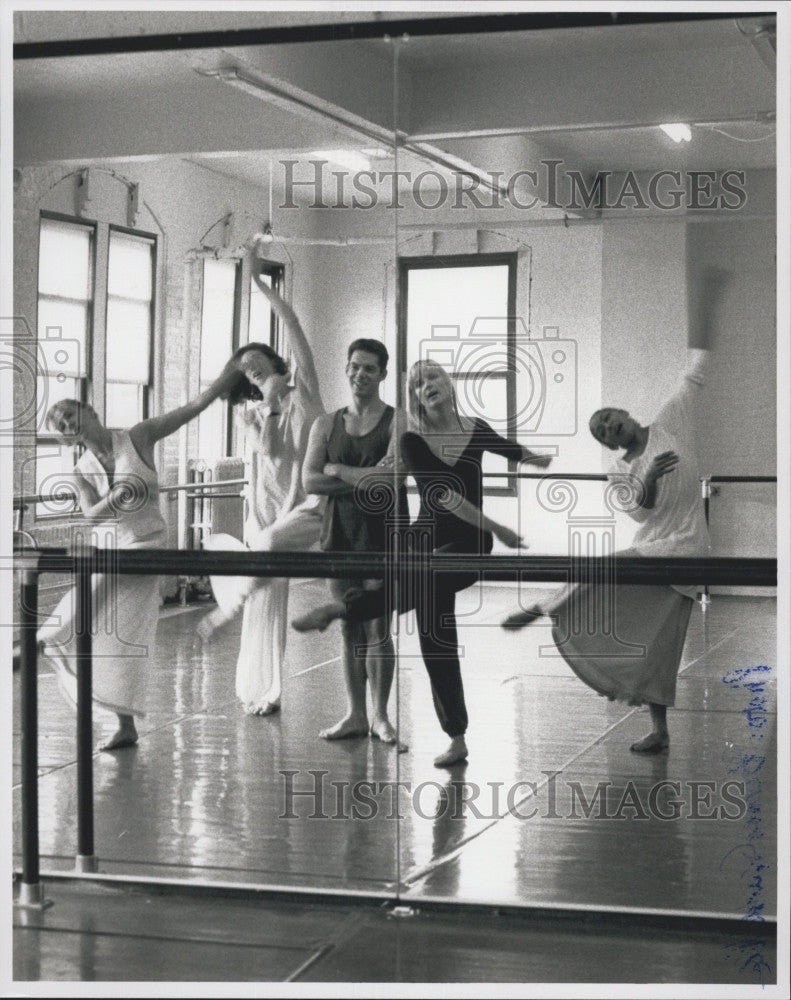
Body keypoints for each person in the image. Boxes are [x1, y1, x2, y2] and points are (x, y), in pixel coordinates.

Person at [502, 265, 728, 754]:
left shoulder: (669, 421)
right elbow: (642, 517)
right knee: (635, 611)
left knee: (651, 625)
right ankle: (554, 609)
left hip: (690, 549)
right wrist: (645, 478)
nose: (609, 428)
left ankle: (545, 608)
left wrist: (708, 300)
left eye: (610, 419)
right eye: (602, 431)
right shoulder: (616, 472)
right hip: (655, 549)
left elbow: (700, 366)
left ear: (626, 414)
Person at [295, 359, 552, 767]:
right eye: (416, 384)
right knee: (436, 635)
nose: (425, 385)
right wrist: (500, 527)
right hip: (426, 539)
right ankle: (457, 737)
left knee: (423, 587)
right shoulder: (412, 442)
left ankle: (346, 609)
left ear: (448, 384)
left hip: (467, 543)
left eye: (431, 377)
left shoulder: (477, 428)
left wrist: (536, 459)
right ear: (414, 398)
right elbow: (443, 497)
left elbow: (509, 449)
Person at [37, 368, 236, 751]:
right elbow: (91, 515)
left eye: (69, 415)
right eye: (61, 425)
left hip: (148, 545)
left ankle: (48, 635)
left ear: (89, 412)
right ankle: (125, 726)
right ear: (65, 438)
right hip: (111, 545)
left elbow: (192, 407)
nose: (68, 424)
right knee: (122, 639)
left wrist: (227, 379)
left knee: (97, 597)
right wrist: (116, 495)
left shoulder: (137, 437)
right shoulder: (80, 470)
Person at [199, 270, 325, 716]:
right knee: (267, 602)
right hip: (263, 511)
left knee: (267, 553)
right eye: (246, 370)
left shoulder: (305, 392)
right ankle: (264, 692)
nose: (251, 371)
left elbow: (295, 329)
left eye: (258, 363)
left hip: (306, 509)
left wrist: (260, 282)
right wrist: (267, 408)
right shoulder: (254, 413)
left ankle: (226, 608)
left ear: (277, 364)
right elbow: (268, 455)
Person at [301, 339, 409, 744]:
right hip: (340, 535)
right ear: (346, 370)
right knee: (350, 628)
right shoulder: (325, 425)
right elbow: (310, 481)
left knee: (379, 627)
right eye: (354, 366)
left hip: (385, 537)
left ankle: (381, 716)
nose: (359, 374)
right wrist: (362, 478)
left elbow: (392, 481)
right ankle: (355, 714)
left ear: (382, 374)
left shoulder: (399, 423)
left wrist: (337, 468)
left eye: (368, 368)